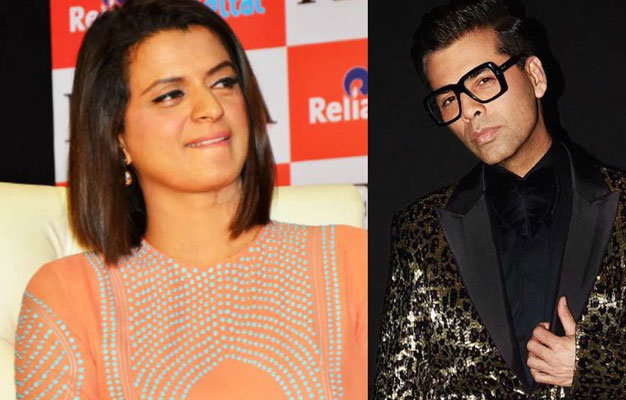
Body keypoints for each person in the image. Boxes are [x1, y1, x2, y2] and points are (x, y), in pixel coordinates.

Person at [14, 0, 367, 398]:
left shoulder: (352, 262)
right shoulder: (67, 298)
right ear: (117, 136)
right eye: (170, 95)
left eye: (224, 82)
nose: (211, 108)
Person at [374, 0, 626, 398]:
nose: (469, 110)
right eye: (448, 99)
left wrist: (591, 366)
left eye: (483, 80)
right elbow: (396, 386)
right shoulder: (421, 231)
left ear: (535, 76)